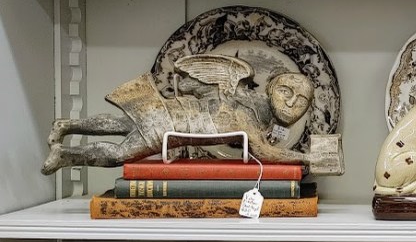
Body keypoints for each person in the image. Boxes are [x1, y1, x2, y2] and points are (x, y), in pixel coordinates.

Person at [42, 56, 315, 175]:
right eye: (285, 91)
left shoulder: (254, 115)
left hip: (169, 115)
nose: (291, 102)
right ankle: (65, 155)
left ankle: (66, 126)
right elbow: (265, 153)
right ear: (270, 88)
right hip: (172, 124)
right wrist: (307, 158)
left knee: (121, 124)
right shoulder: (246, 109)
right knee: (119, 155)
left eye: (301, 101)